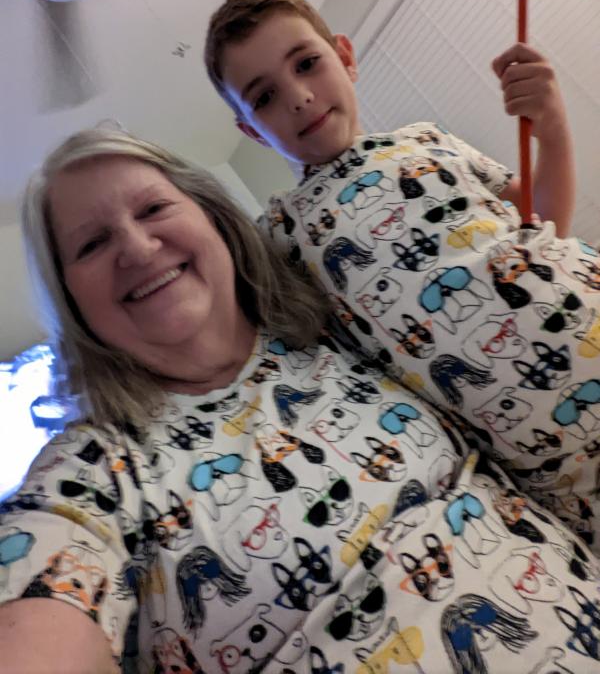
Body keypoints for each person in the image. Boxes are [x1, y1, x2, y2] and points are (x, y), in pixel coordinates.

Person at [1, 127, 599, 673]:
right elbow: (38, 609)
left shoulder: (339, 328)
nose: (136, 247)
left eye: (153, 208)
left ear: (214, 219)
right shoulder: (97, 471)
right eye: (92, 244)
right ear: (71, 301)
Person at [203, 0, 600, 554]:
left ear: (345, 57)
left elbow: (545, 221)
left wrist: (553, 126)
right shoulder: (279, 238)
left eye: (307, 64)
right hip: (559, 467)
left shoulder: (425, 140)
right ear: (250, 131)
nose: (299, 97)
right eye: (264, 98)